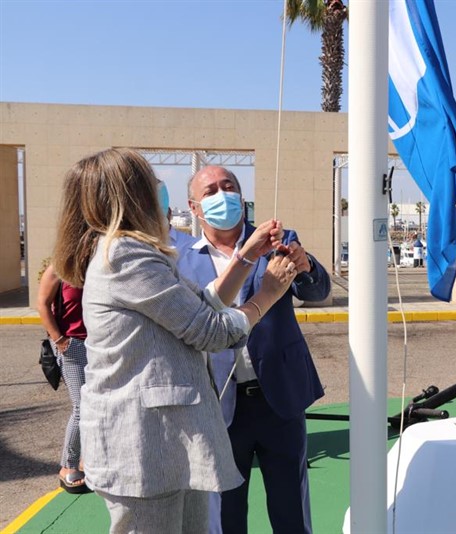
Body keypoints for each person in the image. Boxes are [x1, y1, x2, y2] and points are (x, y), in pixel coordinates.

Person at [51, 148, 298, 533]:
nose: (160, 188)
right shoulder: (125, 256)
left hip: (168, 445)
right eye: (151, 181)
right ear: (132, 196)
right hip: (144, 450)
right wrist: (267, 294)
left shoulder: (139, 252)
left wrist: (247, 256)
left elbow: (201, 303)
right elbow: (211, 331)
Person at [178, 165, 330, 534]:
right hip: (219, 406)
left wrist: (307, 266)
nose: (222, 195)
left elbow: (318, 291)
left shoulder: (277, 240)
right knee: (227, 513)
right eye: (210, 191)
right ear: (194, 208)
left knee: (291, 509)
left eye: (228, 186)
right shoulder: (183, 258)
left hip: (279, 396)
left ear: (241, 195)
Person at [36, 263, 90, 494]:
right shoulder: (59, 268)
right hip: (72, 345)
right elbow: (42, 304)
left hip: (98, 344)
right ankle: (68, 466)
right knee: (81, 407)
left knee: (96, 406)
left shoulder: (93, 266)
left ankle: (87, 461)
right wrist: (59, 340)